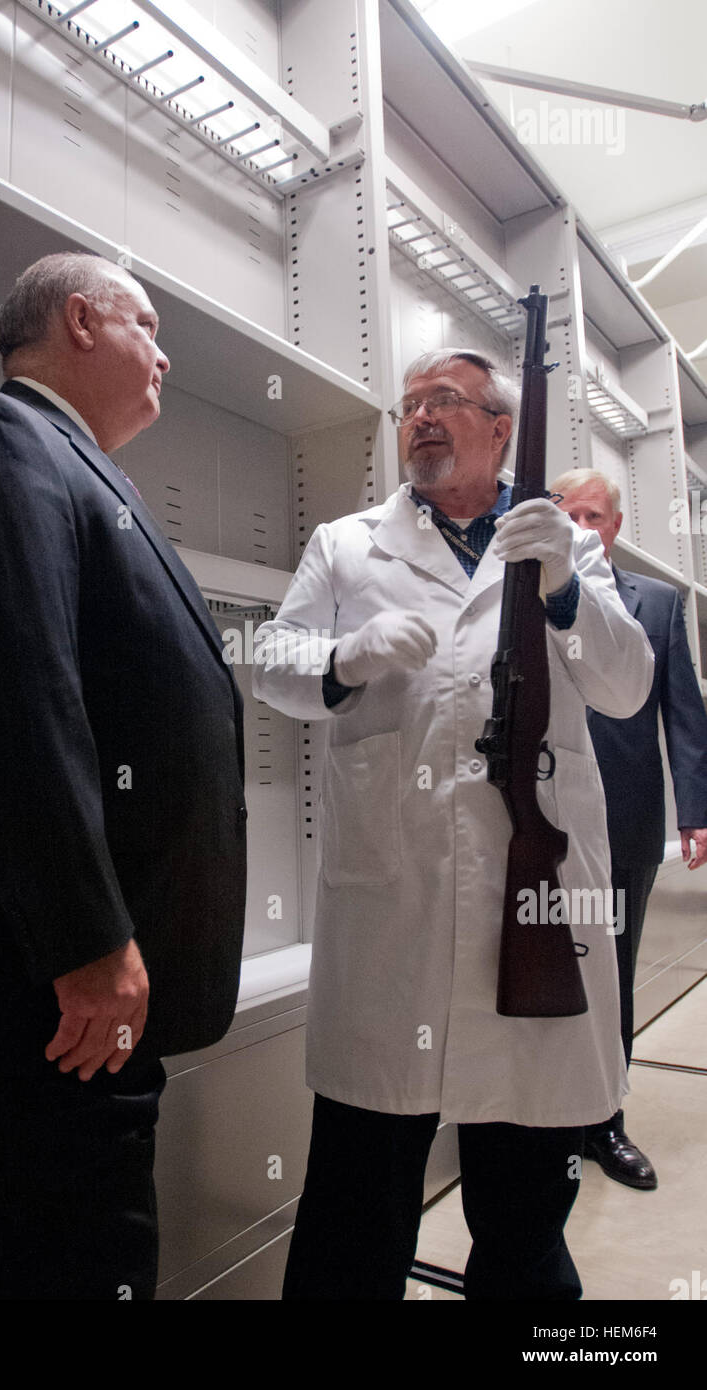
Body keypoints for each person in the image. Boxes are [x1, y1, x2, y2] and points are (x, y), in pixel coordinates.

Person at [0, 251, 247, 1299]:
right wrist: (86, 940)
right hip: (22, 999)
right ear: (78, 318)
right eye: (147, 326)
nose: (163, 354)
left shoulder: (80, 473)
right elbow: (5, 692)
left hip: (70, 1009)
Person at [252, 349, 654, 1300]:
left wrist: (562, 587)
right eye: (409, 406)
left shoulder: (566, 544)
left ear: (501, 426)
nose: (421, 418)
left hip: (536, 901)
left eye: (445, 402)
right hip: (396, 901)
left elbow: (627, 686)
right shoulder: (348, 542)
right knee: (358, 1203)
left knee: (523, 1216)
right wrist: (343, 656)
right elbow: (268, 658)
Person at [552, 468, 707, 1190]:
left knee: (610, 970)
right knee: (542, 968)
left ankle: (603, 1121)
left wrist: (696, 813)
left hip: (625, 820)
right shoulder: (527, 589)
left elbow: (684, 715)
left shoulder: (657, 602)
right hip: (537, 821)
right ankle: (540, 1123)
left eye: (592, 515)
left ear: (613, 527)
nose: (579, 526)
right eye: (566, 512)